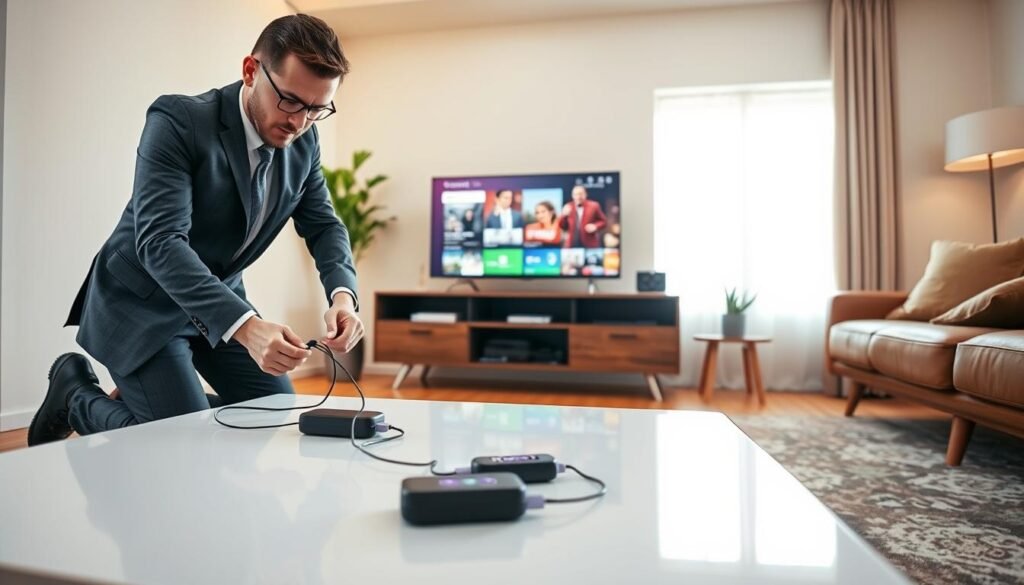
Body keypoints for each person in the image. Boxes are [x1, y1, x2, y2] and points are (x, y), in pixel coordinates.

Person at [27, 15, 365, 446]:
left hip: (215, 303)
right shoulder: (179, 119)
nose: (300, 122)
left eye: (318, 110)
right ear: (250, 71)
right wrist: (246, 327)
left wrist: (342, 297)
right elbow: (160, 244)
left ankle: (157, 403)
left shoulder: (304, 142)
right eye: (291, 101)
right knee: (183, 443)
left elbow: (324, 225)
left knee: (273, 414)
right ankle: (75, 396)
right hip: (143, 304)